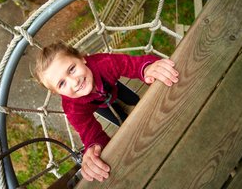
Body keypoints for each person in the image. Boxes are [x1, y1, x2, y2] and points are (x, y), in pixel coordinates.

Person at [34, 41, 179, 182]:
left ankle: (136, 104)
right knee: (120, 119)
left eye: (72, 69)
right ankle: (123, 118)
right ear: (57, 92)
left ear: (82, 59)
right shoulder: (72, 107)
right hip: (97, 104)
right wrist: (94, 148)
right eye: (62, 83)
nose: (74, 81)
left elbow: (132, 64)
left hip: (111, 87)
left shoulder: (103, 63)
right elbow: (89, 132)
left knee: (134, 100)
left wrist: (147, 68)